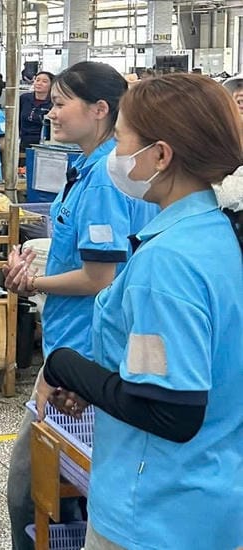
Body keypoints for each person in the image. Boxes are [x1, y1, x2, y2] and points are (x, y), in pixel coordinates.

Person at [35, 73, 243, 550]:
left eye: (123, 139)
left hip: (155, 511)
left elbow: (172, 412)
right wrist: (101, 385)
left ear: (161, 155)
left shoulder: (167, 263)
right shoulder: (214, 234)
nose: (116, 154)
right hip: (208, 497)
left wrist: (66, 366)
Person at [2, 61, 159, 550]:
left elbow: (101, 275)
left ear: (100, 109)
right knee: (52, 493)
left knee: (36, 492)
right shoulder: (90, 168)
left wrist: (34, 283)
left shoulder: (105, 180)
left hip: (87, 353)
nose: (49, 110)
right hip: (72, 348)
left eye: (61, 101)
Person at [18, 71, 54, 154]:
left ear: (51, 85)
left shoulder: (53, 102)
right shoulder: (24, 98)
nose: (39, 83)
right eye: (37, 80)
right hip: (24, 143)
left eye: (44, 81)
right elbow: (17, 120)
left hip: (44, 145)